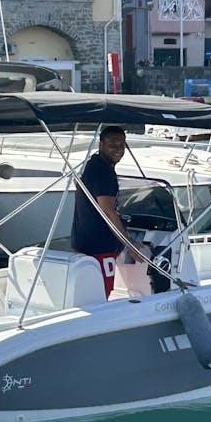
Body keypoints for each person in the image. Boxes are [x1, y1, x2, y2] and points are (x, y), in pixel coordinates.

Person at [71, 126, 143, 298]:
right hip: (99, 247)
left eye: (121, 144)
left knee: (87, 292)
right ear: (101, 144)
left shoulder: (92, 163)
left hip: (82, 242)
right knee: (101, 293)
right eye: (112, 143)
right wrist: (129, 244)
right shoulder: (104, 173)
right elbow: (108, 211)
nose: (118, 148)